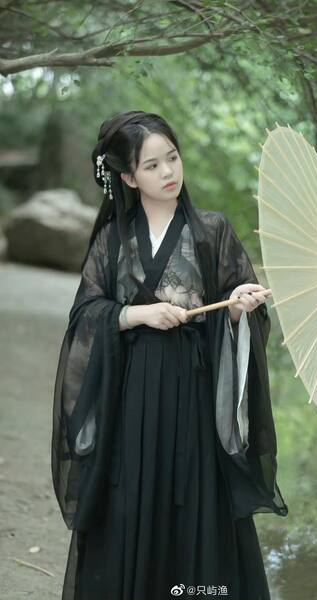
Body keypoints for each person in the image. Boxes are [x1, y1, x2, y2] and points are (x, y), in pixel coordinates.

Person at [51, 110, 288, 600]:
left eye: (173, 158)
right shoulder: (112, 239)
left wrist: (237, 310)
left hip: (194, 396)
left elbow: (236, 307)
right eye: (152, 165)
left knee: (197, 500)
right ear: (128, 177)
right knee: (129, 500)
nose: (168, 172)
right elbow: (86, 314)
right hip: (129, 397)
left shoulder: (212, 231)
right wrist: (136, 314)